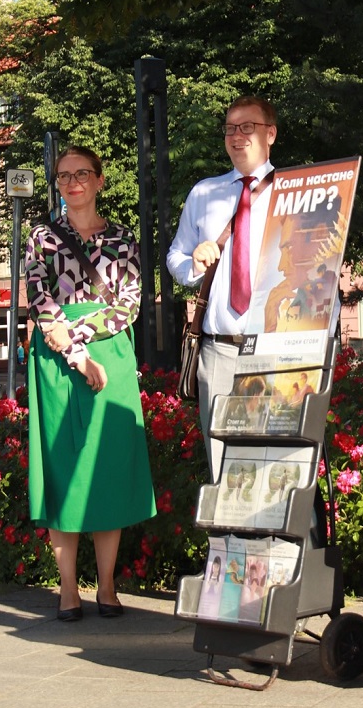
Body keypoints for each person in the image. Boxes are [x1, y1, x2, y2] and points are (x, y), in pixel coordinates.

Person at [25, 145, 157, 622]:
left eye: (82, 174)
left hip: (110, 348)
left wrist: (80, 338)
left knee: (108, 464)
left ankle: (106, 586)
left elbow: (130, 304)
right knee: (64, 466)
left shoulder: (123, 239)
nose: (72, 182)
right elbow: (40, 297)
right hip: (57, 357)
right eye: (63, 176)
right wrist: (75, 353)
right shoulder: (41, 236)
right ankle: (67, 589)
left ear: (100, 181)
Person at [167, 96, 277, 480]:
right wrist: (193, 264)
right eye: (230, 128)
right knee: (224, 468)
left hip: (276, 348)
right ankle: (232, 540)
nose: (237, 135)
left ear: (270, 133)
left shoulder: (294, 192)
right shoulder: (204, 193)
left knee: (279, 462)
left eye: (248, 126)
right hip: (219, 351)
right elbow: (175, 257)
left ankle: (277, 542)